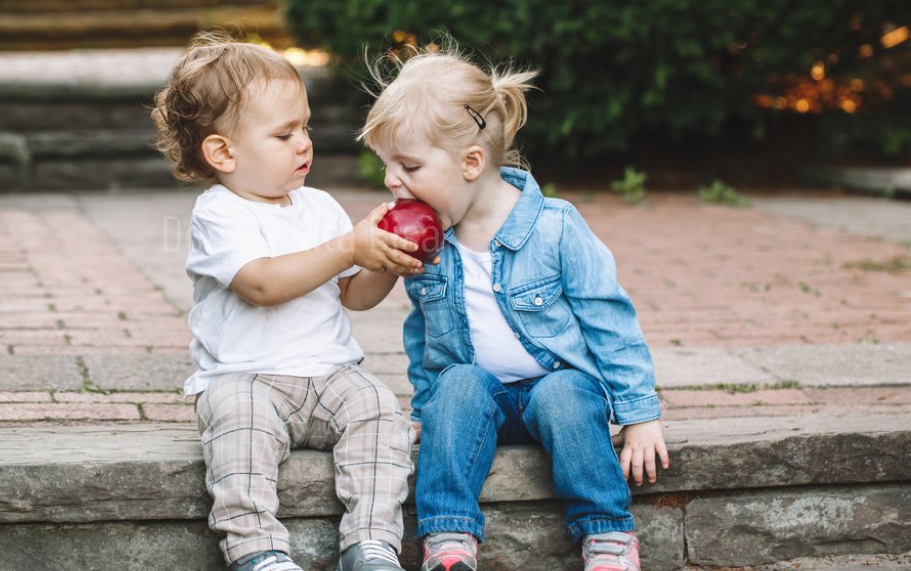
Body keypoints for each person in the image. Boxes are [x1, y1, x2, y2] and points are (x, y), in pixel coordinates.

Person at [358, 41, 670, 571]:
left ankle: (607, 534)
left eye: (408, 165)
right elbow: (425, 333)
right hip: (483, 398)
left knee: (568, 394)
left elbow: (609, 322)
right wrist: (423, 409)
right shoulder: (431, 245)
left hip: (557, 387)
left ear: (471, 162)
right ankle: (449, 539)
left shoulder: (556, 227)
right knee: (456, 386)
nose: (391, 180)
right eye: (387, 165)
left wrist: (640, 415)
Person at [151, 31, 425, 571]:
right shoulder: (220, 213)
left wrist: (384, 263)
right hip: (246, 378)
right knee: (238, 429)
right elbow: (261, 283)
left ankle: (370, 543)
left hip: (330, 375)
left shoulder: (318, 205)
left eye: (305, 127)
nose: (304, 143)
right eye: (283, 134)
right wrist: (348, 244)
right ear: (223, 152)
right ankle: (259, 551)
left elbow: (353, 294)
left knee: (379, 409)